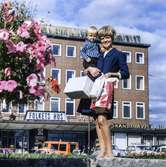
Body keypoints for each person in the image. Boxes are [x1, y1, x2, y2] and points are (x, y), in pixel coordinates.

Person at [78, 25, 129, 158]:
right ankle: (102, 150)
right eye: (102, 38)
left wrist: (112, 74)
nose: (105, 40)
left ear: (112, 38)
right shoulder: (98, 54)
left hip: (106, 89)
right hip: (95, 89)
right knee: (97, 120)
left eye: (107, 37)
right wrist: (89, 69)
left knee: (102, 118)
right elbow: (86, 69)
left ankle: (109, 151)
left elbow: (126, 73)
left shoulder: (118, 54)